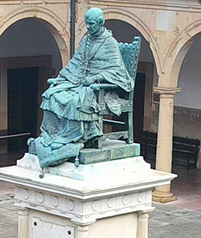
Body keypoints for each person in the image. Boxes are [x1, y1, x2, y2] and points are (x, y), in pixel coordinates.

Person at [30, 7, 134, 167]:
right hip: (79, 81)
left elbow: (116, 71)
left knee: (77, 100)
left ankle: (71, 138)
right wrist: (61, 78)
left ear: (100, 23)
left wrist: (95, 78)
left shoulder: (110, 43)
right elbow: (75, 63)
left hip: (102, 87)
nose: (88, 27)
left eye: (91, 24)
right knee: (51, 94)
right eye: (86, 24)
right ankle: (51, 135)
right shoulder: (86, 40)